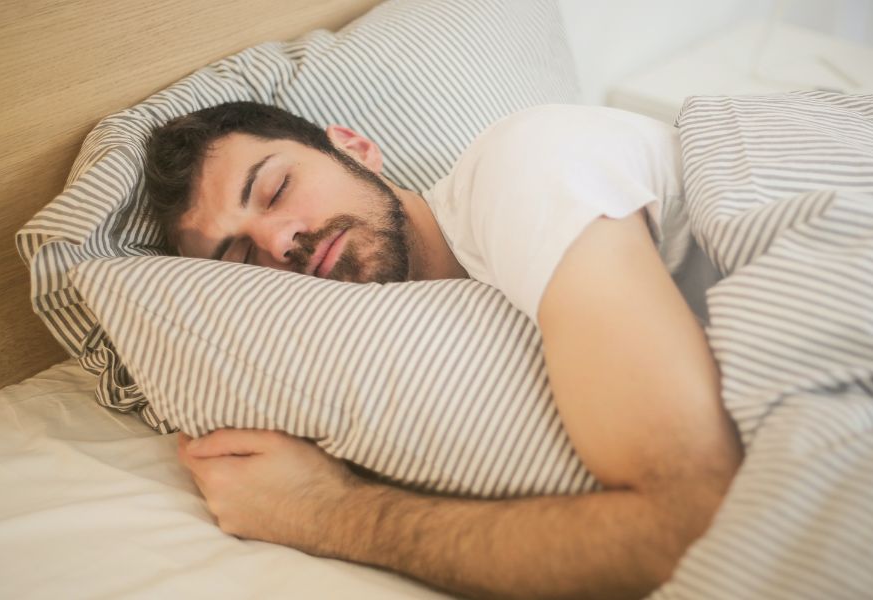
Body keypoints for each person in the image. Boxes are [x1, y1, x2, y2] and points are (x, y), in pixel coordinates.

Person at [145, 101, 743, 600]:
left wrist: (324, 512)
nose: (279, 241)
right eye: (242, 258)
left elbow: (693, 527)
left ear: (353, 148)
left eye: (275, 188)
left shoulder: (524, 170)